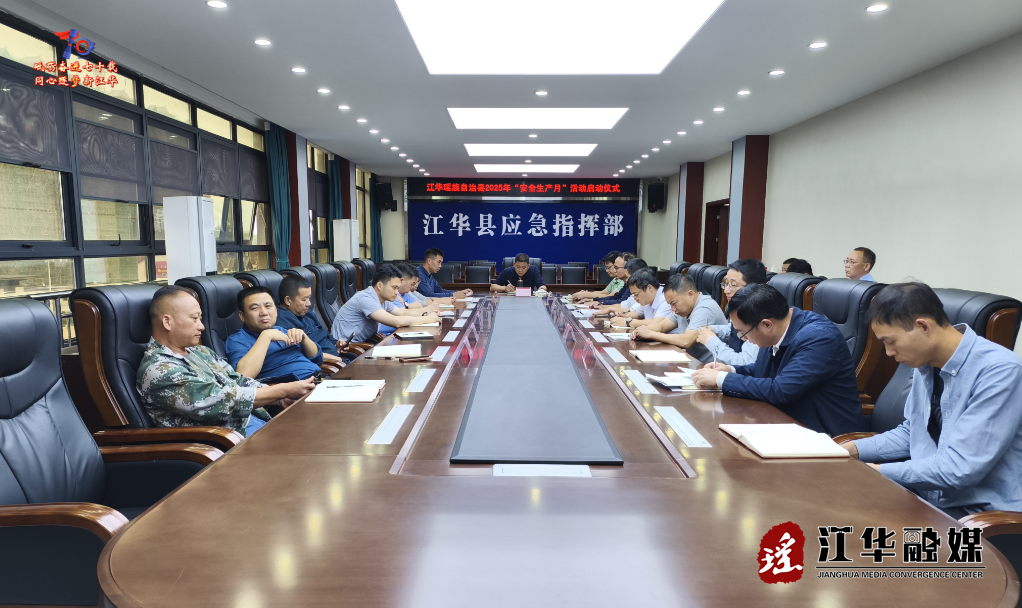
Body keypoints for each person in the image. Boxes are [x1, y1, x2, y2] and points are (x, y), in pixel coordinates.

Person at [840, 283, 1022, 517]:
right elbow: (913, 433)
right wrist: (851, 450)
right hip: (928, 497)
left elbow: (959, 469)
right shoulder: (925, 364)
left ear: (923, 326)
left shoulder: (999, 371)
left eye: (891, 341)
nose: (888, 352)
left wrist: (875, 471)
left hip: (978, 514)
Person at [137, 286, 313, 438]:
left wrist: (279, 398)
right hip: (223, 441)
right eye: (194, 318)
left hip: (252, 424)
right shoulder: (158, 368)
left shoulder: (199, 351)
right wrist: (281, 391)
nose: (201, 326)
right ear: (167, 322)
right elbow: (219, 399)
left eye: (200, 318)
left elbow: (237, 380)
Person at [690, 284, 862, 436]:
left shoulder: (820, 338)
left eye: (743, 333)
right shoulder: (780, 328)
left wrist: (722, 379)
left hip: (825, 436)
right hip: (783, 423)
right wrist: (731, 370)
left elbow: (780, 390)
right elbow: (764, 370)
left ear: (767, 325)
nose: (744, 339)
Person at [227, 286, 324, 381]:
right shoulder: (237, 340)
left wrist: (304, 338)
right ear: (242, 316)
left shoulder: (281, 330)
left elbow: (318, 358)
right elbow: (242, 376)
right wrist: (266, 336)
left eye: (268, 306)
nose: (264, 312)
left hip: (319, 380)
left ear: (276, 311)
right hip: (296, 388)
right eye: (255, 308)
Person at [332, 263, 441, 344]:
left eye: (398, 288)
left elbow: (402, 313)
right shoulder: (366, 299)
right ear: (380, 286)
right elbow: (396, 321)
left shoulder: (382, 299)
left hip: (363, 344)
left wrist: (427, 314)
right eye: (394, 288)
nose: (397, 292)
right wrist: (428, 319)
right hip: (344, 349)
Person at [693, 258, 767, 365]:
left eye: (733, 285)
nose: (726, 290)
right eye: (726, 284)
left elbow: (744, 362)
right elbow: (733, 329)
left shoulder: (759, 317)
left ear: (754, 287)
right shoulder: (740, 307)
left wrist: (710, 340)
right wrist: (712, 329)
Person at [629, 273, 726, 349]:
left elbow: (687, 341)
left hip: (709, 365)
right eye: (670, 304)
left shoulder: (705, 308)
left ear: (690, 294)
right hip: (690, 361)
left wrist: (651, 334)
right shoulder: (682, 309)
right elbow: (662, 326)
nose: (672, 309)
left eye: (674, 303)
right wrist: (640, 331)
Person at [275, 274, 355, 365]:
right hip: (327, 365)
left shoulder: (308, 314)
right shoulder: (281, 322)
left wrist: (336, 344)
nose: (309, 303)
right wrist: (337, 360)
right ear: (288, 300)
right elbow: (298, 354)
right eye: (304, 299)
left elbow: (324, 335)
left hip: (337, 357)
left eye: (309, 298)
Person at [380, 263, 438, 334]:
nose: (413, 286)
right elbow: (400, 319)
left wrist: (426, 314)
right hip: (387, 336)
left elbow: (406, 311)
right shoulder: (389, 295)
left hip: (397, 332)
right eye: (412, 284)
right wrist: (428, 317)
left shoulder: (404, 293)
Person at [607, 269, 672, 329]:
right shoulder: (647, 298)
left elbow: (657, 323)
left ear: (650, 288)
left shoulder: (666, 298)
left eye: (636, 295)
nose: (635, 299)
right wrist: (623, 316)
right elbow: (637, 313)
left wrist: (628, 322)